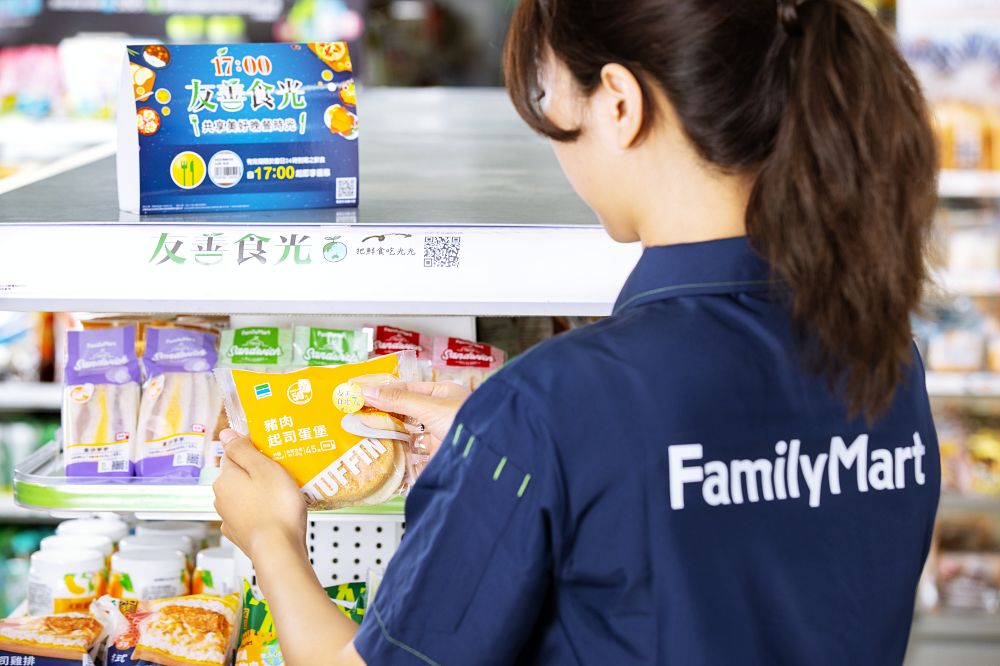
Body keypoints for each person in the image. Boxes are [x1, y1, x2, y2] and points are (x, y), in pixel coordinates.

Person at [213, 0, 941, 663]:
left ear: (620, 103)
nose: (553, 133)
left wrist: (271, 536)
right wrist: (507, 449)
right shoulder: (886, 360)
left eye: (548, 94)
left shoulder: (549, 407)